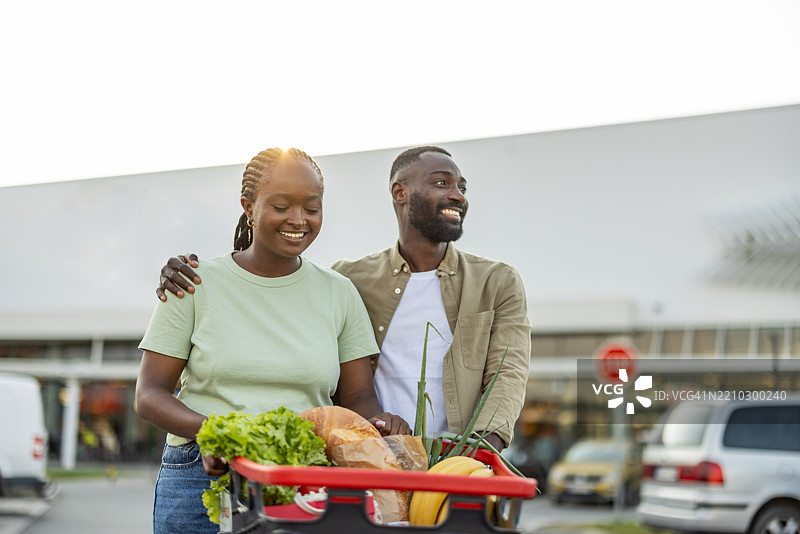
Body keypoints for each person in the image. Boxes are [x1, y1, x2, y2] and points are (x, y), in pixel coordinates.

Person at [156, 146, 531, 453]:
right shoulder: (350, 279)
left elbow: (508, 374)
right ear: (400, 192)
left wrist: (482, 449)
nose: (457, 195)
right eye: (441, 182)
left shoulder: (496, 282)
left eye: (461, 187)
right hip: (367, 458)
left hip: (458, 458)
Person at [136, 147, 409, 534]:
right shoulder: (194, 283)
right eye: (281, 206)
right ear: (248, 206)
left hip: (303, 479)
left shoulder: (340, 293)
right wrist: (220, 435)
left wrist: (380, 423)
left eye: (311, 208)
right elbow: (149, 394)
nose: (298, 220)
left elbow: (357, 398)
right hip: (201, 470)